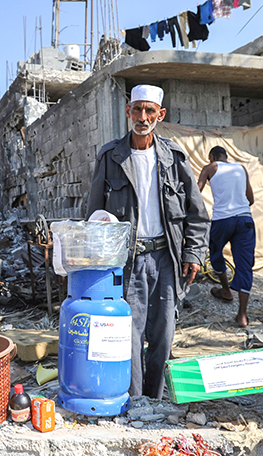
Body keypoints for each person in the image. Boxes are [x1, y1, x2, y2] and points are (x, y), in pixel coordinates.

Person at [86, 84, 210, 399]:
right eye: (137, 110)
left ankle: (154, 399)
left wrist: (193, 254)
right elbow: (93, 214)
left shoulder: (175, 158)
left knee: (164, 334)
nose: (143, 117)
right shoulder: (111, 156)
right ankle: (135, 399)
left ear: (160, 114)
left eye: (149, 110)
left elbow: (197, 213)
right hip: (128, 261)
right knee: (129, 334)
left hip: (166, 258)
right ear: (128, 112)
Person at [197, 145, 255, 327]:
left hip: (222, 220)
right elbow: (250, 199)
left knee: (215, 252)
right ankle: (242, 316)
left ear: (212, 157)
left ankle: (226, 290)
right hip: (245, 220)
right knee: (244, 264)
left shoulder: (209, 168)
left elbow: (195, 193)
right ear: (226, 156)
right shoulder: (240, 168)